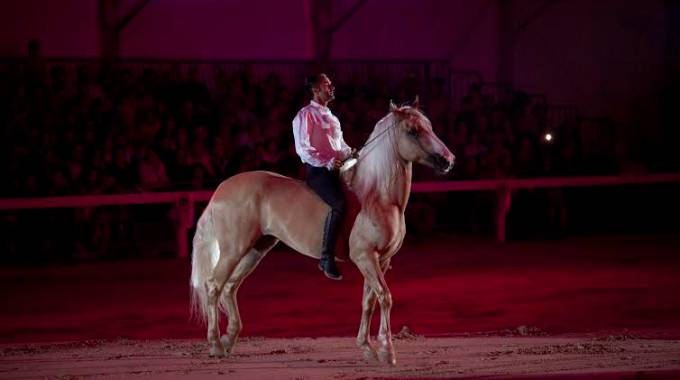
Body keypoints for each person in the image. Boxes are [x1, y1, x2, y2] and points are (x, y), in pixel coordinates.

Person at [292, 73, 353, 280]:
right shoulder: (305, 114)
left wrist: (350, 152)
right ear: (315, 90)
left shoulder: (332, 116)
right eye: (327, 84)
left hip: (338, 168)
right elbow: (303, 149)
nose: (332, 87)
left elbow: (340, 145)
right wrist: (326, 162)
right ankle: (326, 257)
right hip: (318, 172)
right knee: (339, 204)